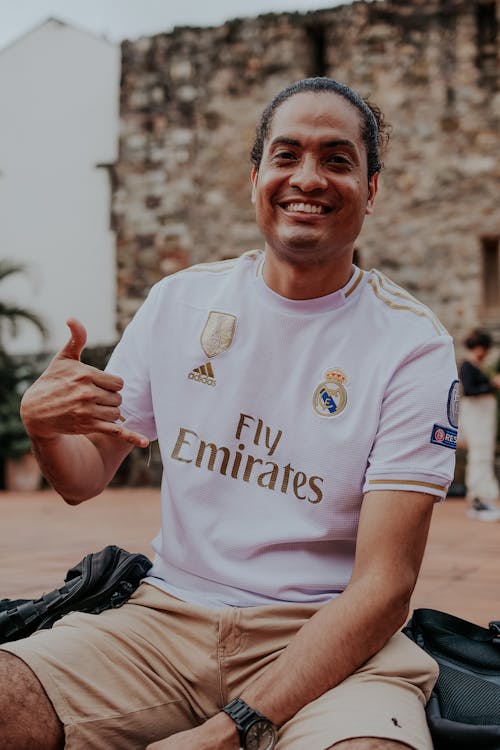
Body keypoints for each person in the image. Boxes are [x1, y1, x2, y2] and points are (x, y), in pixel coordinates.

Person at [0, 77, 458, 750]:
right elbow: (83, 479)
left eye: (337, 159)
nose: (309, 177)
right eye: (286, 155)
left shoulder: (412, 345)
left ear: (372, 189)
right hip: (163, 619)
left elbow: (385, 588)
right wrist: (42, 426)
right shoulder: (179, 304)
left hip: (327, 636)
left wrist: (231, 728)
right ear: (255, 178)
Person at [459, 329, 500, 521]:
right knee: (480, 456)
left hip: (482, 418)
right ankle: (479, 498)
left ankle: (481, 498)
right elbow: (470, 391)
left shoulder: (476, 366)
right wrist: (492, 384)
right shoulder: (468, 366)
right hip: (476, 418)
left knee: (482, 455)